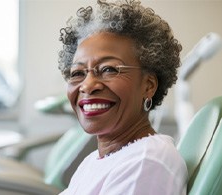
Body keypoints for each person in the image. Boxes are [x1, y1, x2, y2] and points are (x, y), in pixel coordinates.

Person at [58, 0, 188, 194]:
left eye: (109, 69)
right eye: (77, 73)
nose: (87, 85)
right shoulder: (94, 161)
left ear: (149, 85)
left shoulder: (145, 162)